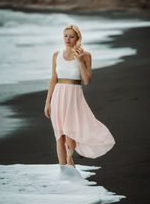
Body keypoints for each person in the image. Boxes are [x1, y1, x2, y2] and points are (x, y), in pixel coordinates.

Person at [44, 24, 115, 169]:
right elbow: (53, 79)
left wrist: (80, 61)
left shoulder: (86, 55)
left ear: (77, 38)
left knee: (70, 138)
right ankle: (64, 171)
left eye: (71, 36)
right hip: (58, 96)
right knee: (59, 136)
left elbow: (87, 80)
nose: (67, 39)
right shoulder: (56, 55)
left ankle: (70, 164)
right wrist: (48, 102)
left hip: (73, 97)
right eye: (65, 36)